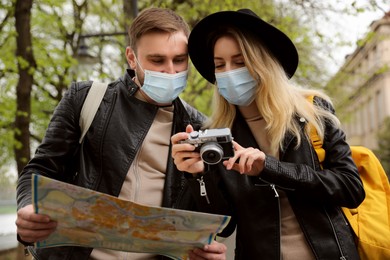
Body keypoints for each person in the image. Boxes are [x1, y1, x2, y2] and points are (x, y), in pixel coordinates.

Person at [15, 7, 227, 260]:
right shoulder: (86, 99)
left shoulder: (200, 128)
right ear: (131, 57)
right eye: (157, 60)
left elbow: (212, 213)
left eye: (179, 60)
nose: (171, 71)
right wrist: (28, 209)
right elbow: (39, 169)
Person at [171, 8, 366, 259]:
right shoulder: (215, 135)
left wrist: (270, 168)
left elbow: (351, 189)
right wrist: (197, 175)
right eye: (220, 65)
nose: (228, 72)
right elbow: (226, 224)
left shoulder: (312, 111)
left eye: (240, 62)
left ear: (263, 63)